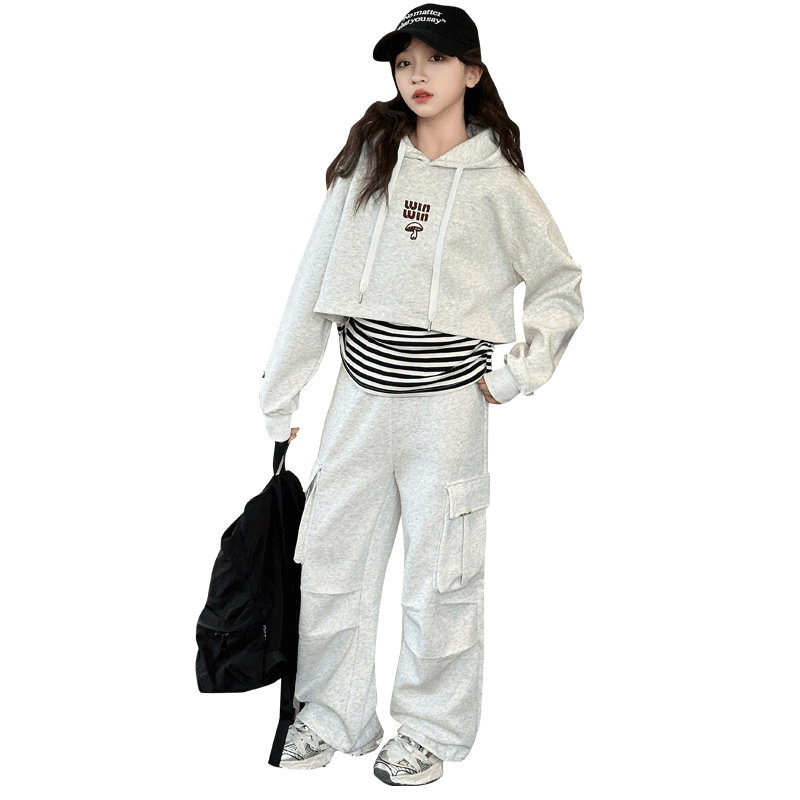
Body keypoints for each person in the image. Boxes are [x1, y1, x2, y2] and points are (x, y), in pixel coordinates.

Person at [257, 3, 584, 787]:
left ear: (472, 71)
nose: (417, 75)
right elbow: (311, 281)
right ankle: (330, 715)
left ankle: (430, 730)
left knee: (444, 576)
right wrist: (282, 390)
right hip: (359, 401)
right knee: (330, 563)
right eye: (404, 62)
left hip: (449, 411)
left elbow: (560, 285)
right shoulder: (366, 166)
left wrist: (515, 373)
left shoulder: (499, 184)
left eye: (435, 59)